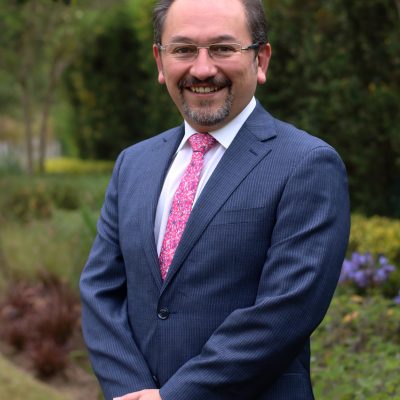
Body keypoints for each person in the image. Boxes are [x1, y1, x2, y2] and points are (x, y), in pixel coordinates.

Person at [79, 0, 350, 399]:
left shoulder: (307, 164)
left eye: (223, 48)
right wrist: (132, 390)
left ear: (261, 59)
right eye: (183, 49)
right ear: (160, 61)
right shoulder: (133, 163)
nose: (203, 69)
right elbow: (100, 291)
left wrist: (175, 397)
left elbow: (284, 312)